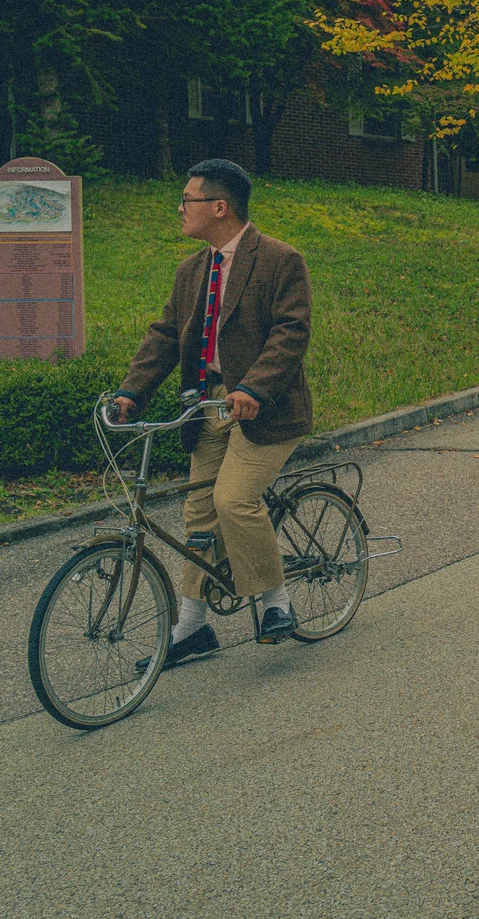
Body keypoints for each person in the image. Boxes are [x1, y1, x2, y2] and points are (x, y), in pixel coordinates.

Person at [114, 158, 313, 668]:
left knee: (234, 501)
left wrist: (254, 387)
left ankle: (276, 602)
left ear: (219, 207)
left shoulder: (279, 260)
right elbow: (165, 336)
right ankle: (192, 627)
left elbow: (290, 332)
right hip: (207, 406)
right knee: (199, 515)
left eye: (188, 200)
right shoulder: (191, 271)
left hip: (264, 409)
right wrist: (132, 391)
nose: (180, 209)